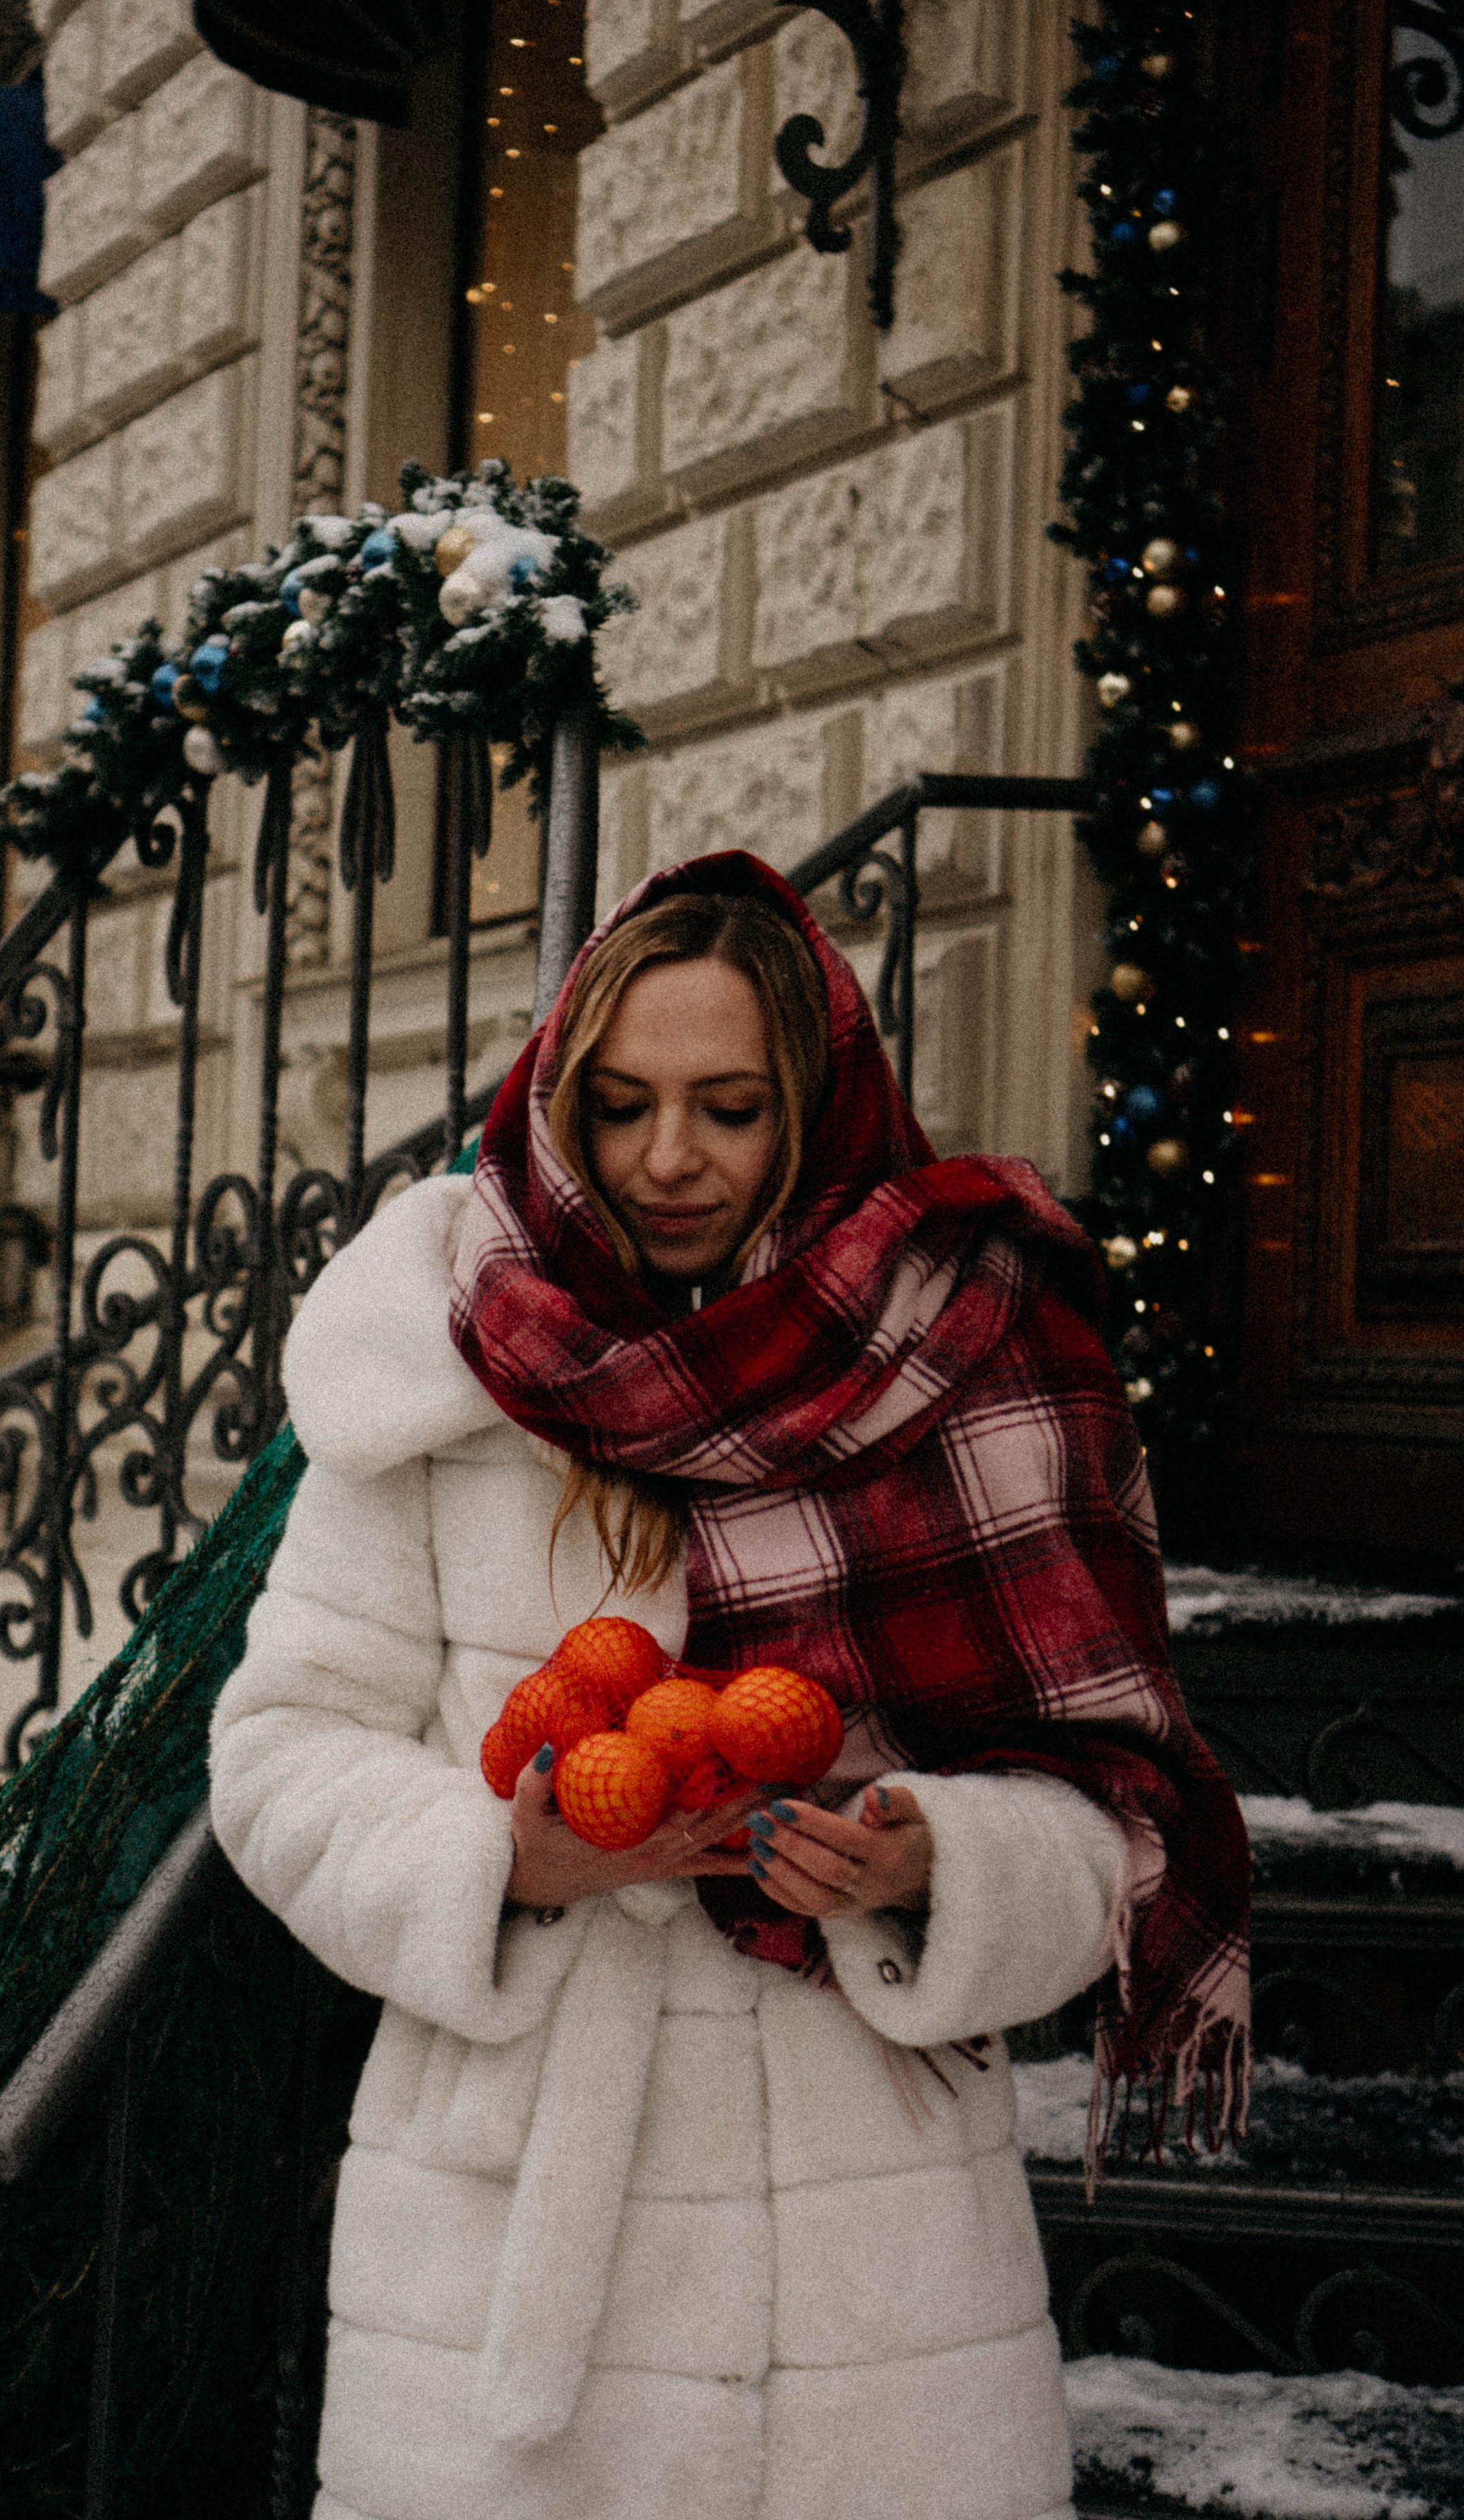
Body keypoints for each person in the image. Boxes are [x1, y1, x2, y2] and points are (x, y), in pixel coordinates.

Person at [210, 847, 1250, 2520]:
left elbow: (1105, 1811)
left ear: (819, 1108)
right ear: (557, 1100)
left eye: (728, 1107)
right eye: (618, 1105)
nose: (666, 1159)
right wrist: (503, 1862)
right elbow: (279, 1757)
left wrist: (934, 1859)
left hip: (868, 2271)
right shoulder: (446, 1367)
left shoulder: (969, 1357)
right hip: (513, 2245)